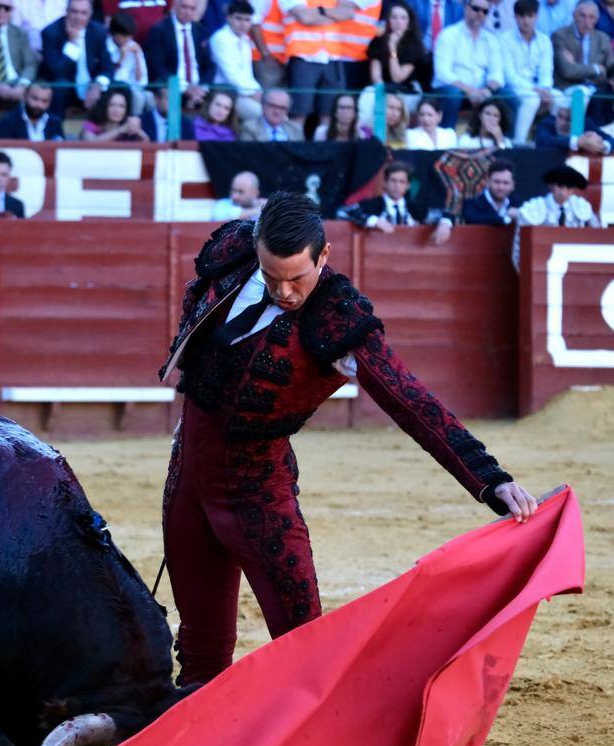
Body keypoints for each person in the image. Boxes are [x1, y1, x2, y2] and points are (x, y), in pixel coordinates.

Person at [158, 190, 536, 687]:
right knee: (201, 652)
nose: (285, 291)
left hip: (257, 495)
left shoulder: (338, 320)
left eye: (297, 277)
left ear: (324, 256)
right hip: (187, 483)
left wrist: (488, 478)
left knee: (307, 649)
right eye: (272, 277)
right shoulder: (234, 251)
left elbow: (411, 400)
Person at [336, 159, 455, 242]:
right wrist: (373, 221)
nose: (397, 186)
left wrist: (444, 224)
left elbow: (446, 214)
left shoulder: (415, 208)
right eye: (393, 181)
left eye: (401, 182)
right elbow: (342, 212)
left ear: (408, 185)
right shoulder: (373, 205)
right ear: (385, 183)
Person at [432, 0, 507, 128]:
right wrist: (470, 91)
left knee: (510, 97)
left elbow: (497, 73)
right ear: (466, 8)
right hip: (453, 89)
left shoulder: (491, 39)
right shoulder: (448, 35)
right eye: (476, 9)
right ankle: (447, 137)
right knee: (452, 95)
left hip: (482, 91)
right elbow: (442, 73)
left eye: (485, 11)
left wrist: (486, 90)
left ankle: (507, 143)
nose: (480, 14)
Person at [277, 0, 350, 125]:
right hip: (303, 57)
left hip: (332, 57)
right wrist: (334, 15)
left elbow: (347, 13)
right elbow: (305, 18)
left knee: (329, 113)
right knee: (299, 113)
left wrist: (318, 13)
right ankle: (297, 144)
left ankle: (326, 144)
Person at [40, 0, 113, 118]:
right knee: (61, 85)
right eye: (74, 12)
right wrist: (72, 44)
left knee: (119, 88)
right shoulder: (51, 32)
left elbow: (108, 67)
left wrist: (98, 84)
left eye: (83, 13)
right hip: (66, 88)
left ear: (90, 15)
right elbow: (56, 71)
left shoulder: (99, 31)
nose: (78, 17)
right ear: (66, 12)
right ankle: (56, 132)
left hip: (91, 86)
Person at [143, 0, 214, 112]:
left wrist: (201, 87)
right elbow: (157, 67)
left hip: (199, 89)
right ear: (175, 6)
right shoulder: (159, 30)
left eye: (192, 9)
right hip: (172, 86)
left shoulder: (200, 31)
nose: (188, 12)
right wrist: (184, 87)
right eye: (184, 7)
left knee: (222, 98)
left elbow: (210, 66)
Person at [501, 0, 556, 144]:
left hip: (538, 88)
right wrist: (536, 90)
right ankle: (518, 142)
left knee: (562, 99)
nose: (526, 21)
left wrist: (545, 89)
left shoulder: (544, 40)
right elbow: (509, 75)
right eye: (522, 16)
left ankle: (550, 141)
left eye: (530, 16)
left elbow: (546, 70)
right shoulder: (504, 39)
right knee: (532, 99)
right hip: (514, 87)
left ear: (536, 16)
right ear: (515, 17)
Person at [552, 0, 614, 122]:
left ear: (596, 20)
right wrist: (596, 68)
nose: (587, 22)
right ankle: (577, 135)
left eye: (591, 17)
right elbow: (567, 71)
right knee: (581, 94)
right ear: (574, 16)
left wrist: (576, 66)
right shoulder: (560, 35)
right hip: (568, 87)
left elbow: (610, 71)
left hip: (597, 88)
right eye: (583, 16)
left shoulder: (603, 39)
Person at [367, 0, 430, 108]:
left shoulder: (415, 45)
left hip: (407, 90)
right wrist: (383, 93)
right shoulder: (378, 41)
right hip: (383, 88)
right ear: (388, 21)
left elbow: (397, 77)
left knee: (398, 105)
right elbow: (376, 76)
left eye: (403, 18)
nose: (398, 22)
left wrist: (392, 47)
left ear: (409, 22)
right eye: (394, 17)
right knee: (369, 100)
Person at [209, 0, 263, 120]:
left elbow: (247, 75)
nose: (243, 24)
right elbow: (232, 76)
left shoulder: (245, 40)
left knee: (279, 116)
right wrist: (254, 93)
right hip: (224, 92)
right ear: (228, 18)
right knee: (262, 115)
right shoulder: (220, 38)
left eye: (247, 20)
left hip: (245, 92)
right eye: (238, 19)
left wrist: (258, 92)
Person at [516, 163, 600, 224]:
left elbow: (596, 233)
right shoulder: (535, 206)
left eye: (569, 188)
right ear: (551, 186)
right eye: (560, 186)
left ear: (573, 189)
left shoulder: (581, 206)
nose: (564, 192)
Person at [535, 93, 612, 151]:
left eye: (568, 119)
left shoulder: (585, 123)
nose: (563, 123)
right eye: (560, 116)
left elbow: (610, 140)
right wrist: (578, 142)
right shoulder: (547, 123)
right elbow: (544, 141)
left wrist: (602, 146)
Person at [107, 11, 148, 114]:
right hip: (113, 90)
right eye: (125, 36)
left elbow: (141, 81)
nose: (128, 40)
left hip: (132, 89)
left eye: (130, 36)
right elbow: (108, 77)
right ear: (115, 34)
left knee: (150, 98)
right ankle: (132, 126)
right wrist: (122, 58)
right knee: (138, 97)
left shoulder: (134, 46)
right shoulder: (104, 46)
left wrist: (138, 57)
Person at [0, 78, 64, 136]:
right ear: (25, 96)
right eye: (35, 99)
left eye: (44, 101)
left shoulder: (55, 123)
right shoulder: (8, 122)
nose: (39, 105)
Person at [80, 83, 149, 138]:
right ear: (105, 106)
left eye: (121, 106)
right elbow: (91, 143)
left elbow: (147, 146)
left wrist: (139, 131)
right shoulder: (92, 124)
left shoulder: (128, 127)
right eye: (112, 105)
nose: (116, 110)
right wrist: (121, 130)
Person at [462, 156, 518, 221]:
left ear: (512, 185)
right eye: (497, 182)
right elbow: (474, 219)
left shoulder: (517, 204)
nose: (501, 187)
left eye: (505, 183)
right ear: (487, 182)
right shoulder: (472, 204)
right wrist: (506, 218)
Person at [239, 86, 304, 138]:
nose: (277, 111)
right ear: (263, 106)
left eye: (282, 108)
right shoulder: (250, 127)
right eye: (273, 106)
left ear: (287, 111)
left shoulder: (296, 129)